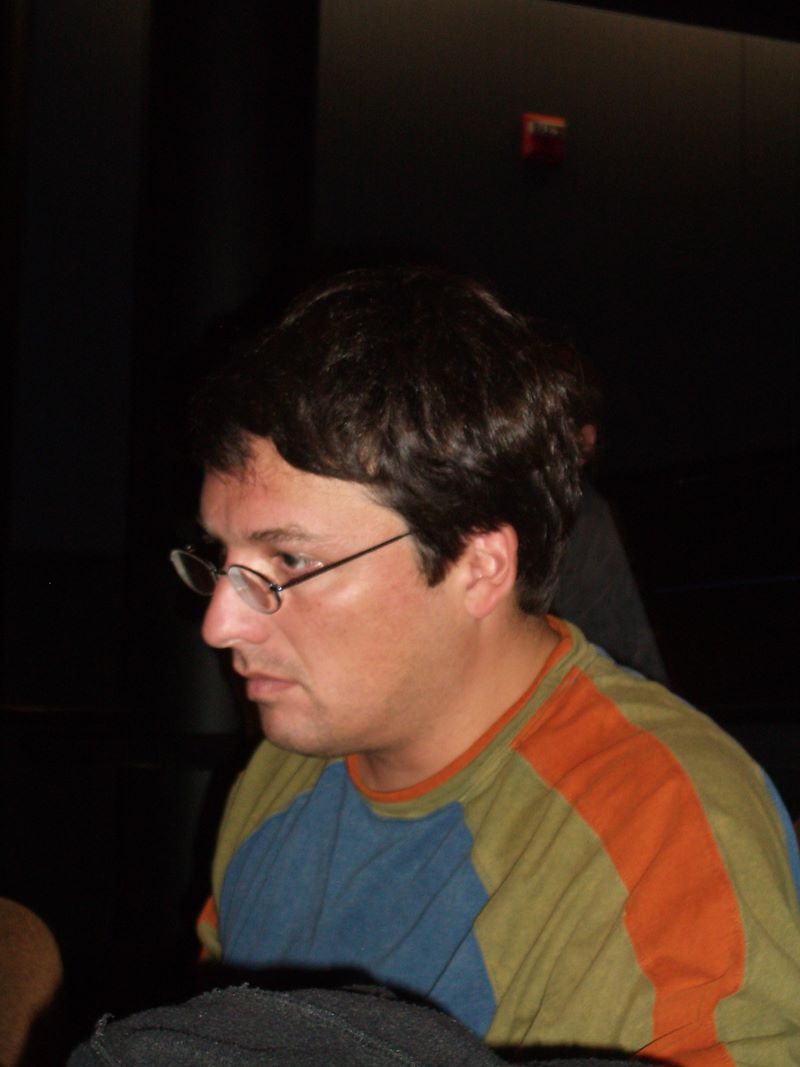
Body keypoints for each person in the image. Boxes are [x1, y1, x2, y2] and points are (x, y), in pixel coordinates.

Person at [171, 266, 800, 1064]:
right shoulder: (278, 776)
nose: (219, 622)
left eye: (289, 560)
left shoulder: (663, 831)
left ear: (479, 566)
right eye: (221, 557)